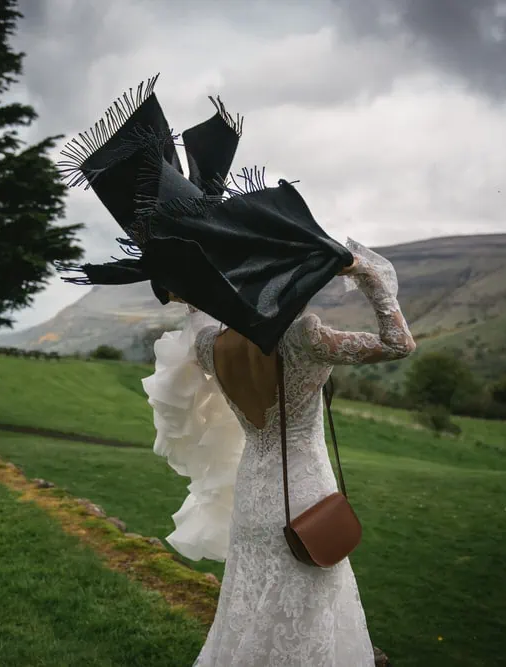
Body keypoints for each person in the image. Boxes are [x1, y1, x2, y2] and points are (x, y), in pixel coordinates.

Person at [144, 237, 414, 666]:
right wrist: (370, 276)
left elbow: (201, 314)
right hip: (304, 493)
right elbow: (400, 344)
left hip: (253, 492)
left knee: (249, 603)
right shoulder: (304, 338)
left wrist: (193, 282)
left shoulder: (210, 346)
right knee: (308, 608)